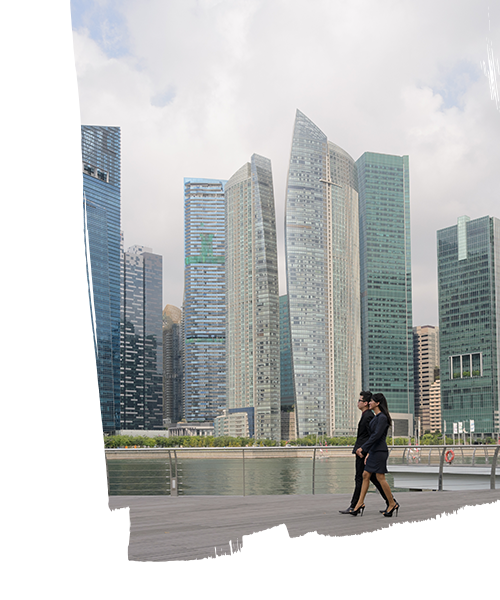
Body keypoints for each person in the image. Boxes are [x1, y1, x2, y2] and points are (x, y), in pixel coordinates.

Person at [339, 391, 389, 514]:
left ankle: (355, 506)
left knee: (362, 478)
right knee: (371, 478)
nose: (358, 402)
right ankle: (390, 502)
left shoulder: (370, 416)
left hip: (365, 451)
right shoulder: (368, 416)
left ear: (366, 403)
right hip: (364, 450)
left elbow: (373, 435)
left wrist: (366, 451)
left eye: (360, 400)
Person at [350, 393, 400, 517]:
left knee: (380, 478)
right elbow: (372, 435)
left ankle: (392, 503)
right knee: (365, 475)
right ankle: (359, 503)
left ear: (377, 403)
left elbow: (376, 436)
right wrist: (368, 453)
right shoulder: (376, 417)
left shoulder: (382, 418)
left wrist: (364, 448)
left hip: (380, 452)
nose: (369, 403)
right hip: (374, 451)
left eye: (371, 401)